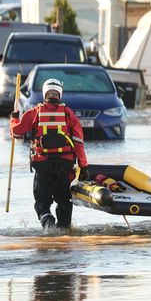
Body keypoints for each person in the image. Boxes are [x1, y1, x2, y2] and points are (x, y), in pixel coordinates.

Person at [9, 78, 89, 229]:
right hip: (64, 165)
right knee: (64, 200)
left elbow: (16, 131)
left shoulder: (34, 113)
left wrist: (13, 119)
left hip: (42, 164)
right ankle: (64, 230)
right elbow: (79, 142)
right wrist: (83, 166)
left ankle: (47, 223)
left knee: (42, 201)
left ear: (45, 93)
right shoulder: (68, 114)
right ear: (60, 93)